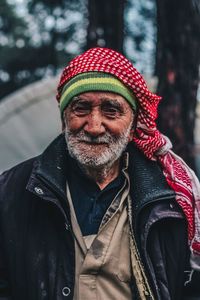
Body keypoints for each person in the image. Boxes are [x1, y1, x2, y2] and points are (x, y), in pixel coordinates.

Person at [0, 47, 200, 300]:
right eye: (81, 108)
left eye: (111, 110)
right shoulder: (11, 191)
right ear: (64, 120)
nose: (94, 127)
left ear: (132, 125)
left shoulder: (170, 199)